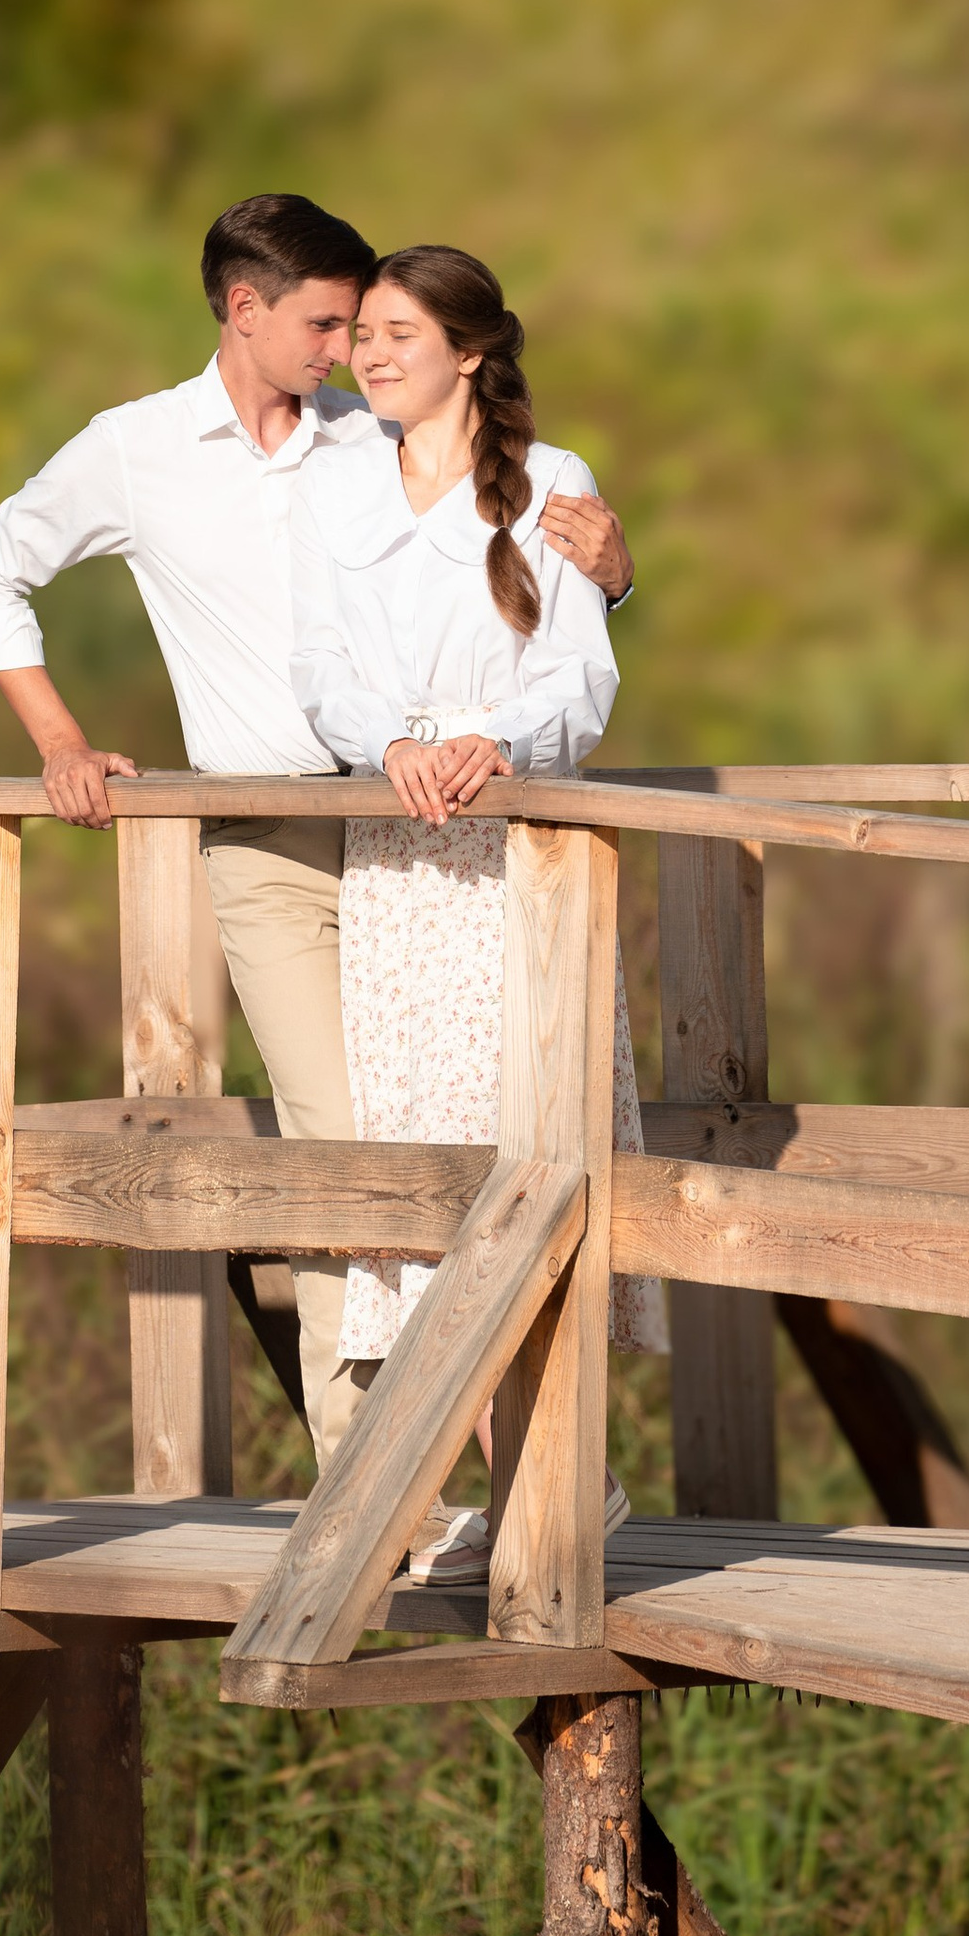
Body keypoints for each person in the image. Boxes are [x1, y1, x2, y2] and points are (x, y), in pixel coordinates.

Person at [0, 192, 635, 1462]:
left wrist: (611, 571)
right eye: (326, 322)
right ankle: (372, 1478)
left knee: (469, 1136)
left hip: (414, 841)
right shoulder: (135, 447)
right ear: (243, 307)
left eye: (363, 323)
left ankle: (521, 1462)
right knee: (345, 1147)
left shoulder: (373, 434)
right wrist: (57, 741)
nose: (347, 348)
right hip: (271, 838)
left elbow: (503, 598)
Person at [287, 240, 664, 1580]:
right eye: (365, 333)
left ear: (472, 351)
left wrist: (495, 744)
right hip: (398, 857)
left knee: (521, 1145)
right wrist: (389, 742)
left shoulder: (553, 484)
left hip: (514, 857)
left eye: (400, 332)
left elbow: (581, 672)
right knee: (425, 1164)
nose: (372, 353)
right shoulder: (339, 489)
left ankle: (554, 1481)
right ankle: (533, 1486)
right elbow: (320, 665)